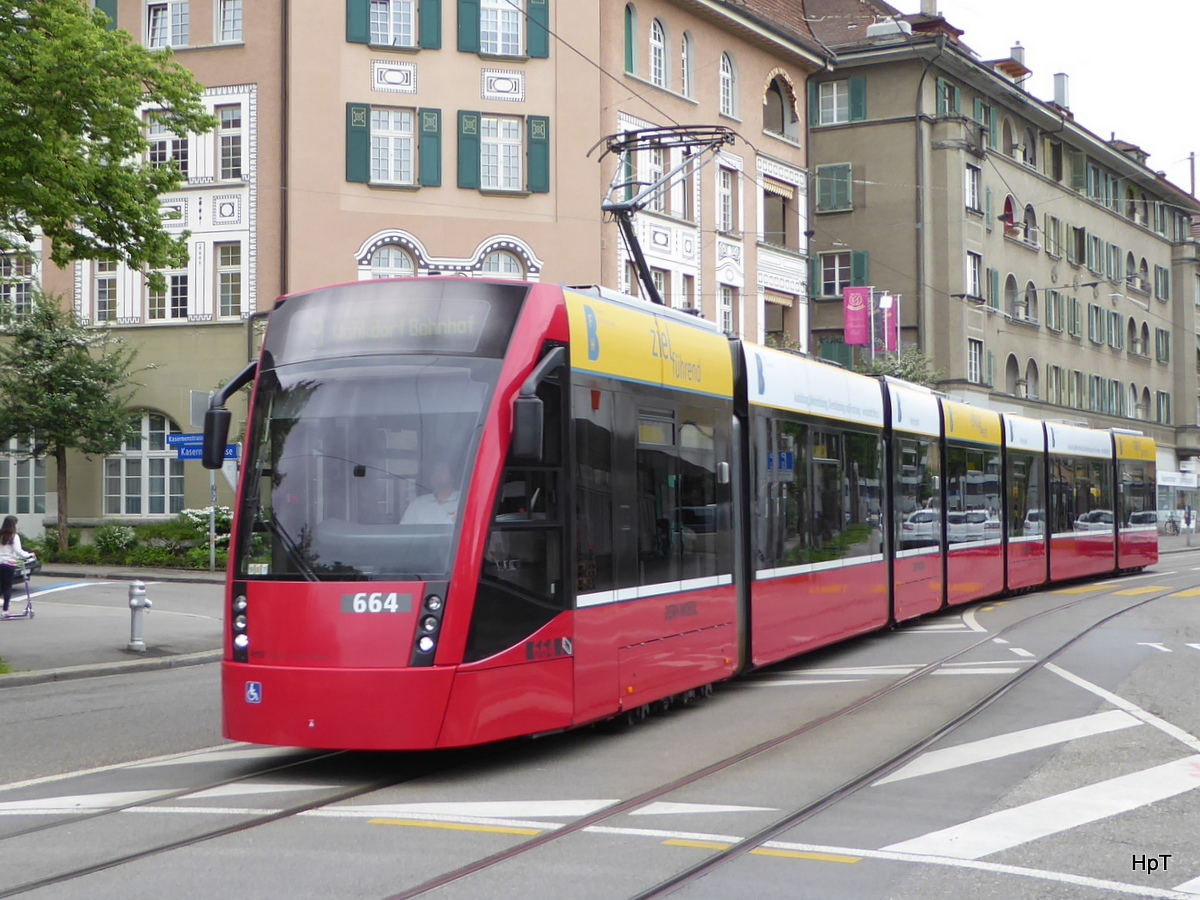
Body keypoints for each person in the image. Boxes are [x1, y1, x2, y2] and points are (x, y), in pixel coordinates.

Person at [0, 515, 35, 615]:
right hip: (9, 564)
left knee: (1, 587)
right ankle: (5, 611)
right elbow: (18, 551)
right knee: (7, 588)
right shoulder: (14, 536)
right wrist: (29, 555)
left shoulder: (0, 535)